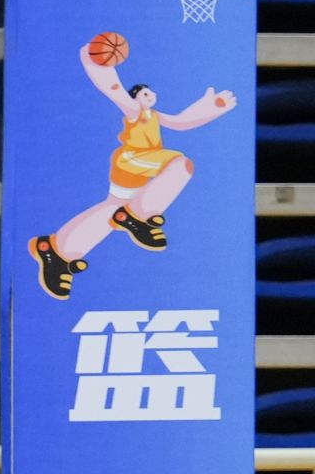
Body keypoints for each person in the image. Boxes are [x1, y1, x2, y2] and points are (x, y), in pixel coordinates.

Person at [27, 38, 237, 301]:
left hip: (141, 167)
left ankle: (56, 251)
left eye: (151, 93)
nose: (151, 95)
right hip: (133, 159)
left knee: (112, 208)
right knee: (180, 164)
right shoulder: (133, 110)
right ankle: (137, 217)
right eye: (145, 93)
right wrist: (95, 63)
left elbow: (182, 122)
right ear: (135, 97)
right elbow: (113, 89)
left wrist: (210, 108)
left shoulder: (156, 116)